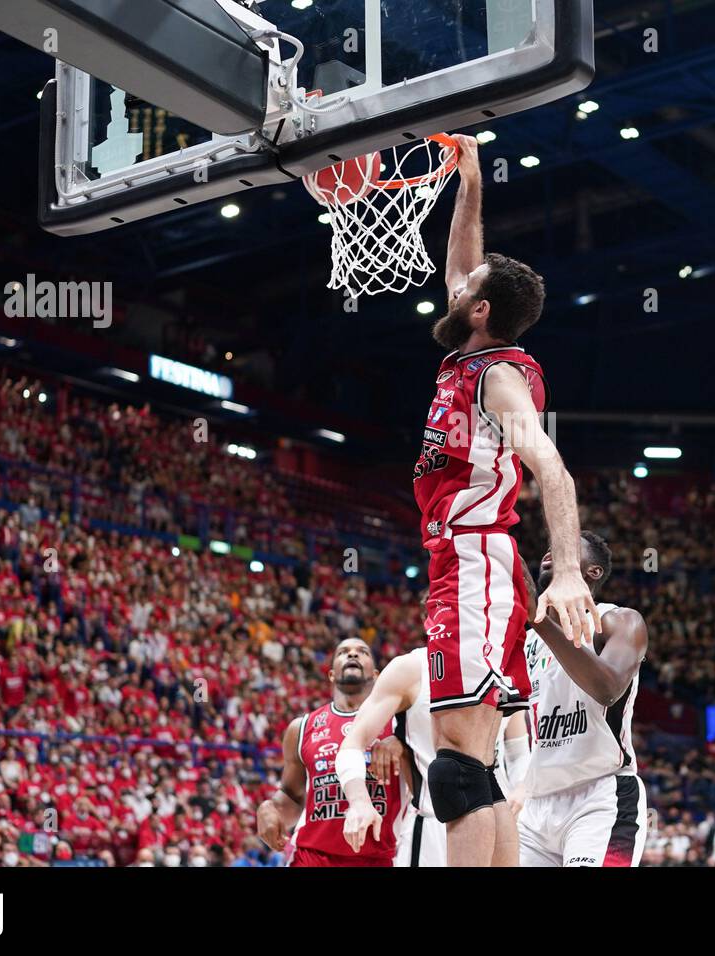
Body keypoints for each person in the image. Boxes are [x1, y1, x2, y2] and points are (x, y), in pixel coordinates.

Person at [414, 134, 598, 867]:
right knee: (473, 767)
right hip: (468, 564)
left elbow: (554, 468)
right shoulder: (471, 353)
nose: (451, 286)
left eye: (465, 289)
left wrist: (569, 572)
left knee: (456, 765)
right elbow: (463, 260)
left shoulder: (499, 377)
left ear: (480, 310)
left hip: (478, 561)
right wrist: (471, 180)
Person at [515, 532, 650, 867]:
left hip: (601, 797)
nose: (551, 550)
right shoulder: (525, 641)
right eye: (550, 546)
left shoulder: (619, 620)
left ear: (593, 572)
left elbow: (607, 688)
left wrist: (538, 617)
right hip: (535, 806)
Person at [338, 649, 529, 867]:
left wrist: (522, 789)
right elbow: (352, 743)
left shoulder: (505, 665)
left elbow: (518, 751)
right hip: (433, 826)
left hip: (499, 819)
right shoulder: (410, 668)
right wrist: (359, 802)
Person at [255, 639, 402, 867]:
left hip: (380, 858)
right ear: (332, 675)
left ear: (376, 675)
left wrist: (400, 745)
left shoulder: (399, 725)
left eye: (362, 652)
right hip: (312, 858)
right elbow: (292, 796)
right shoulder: (301, 728)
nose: (352, 655)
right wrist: (270, 809)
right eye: (343, 652)